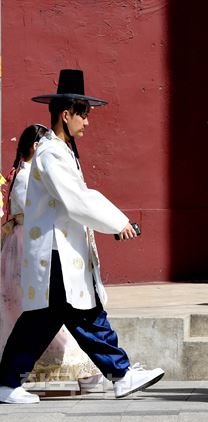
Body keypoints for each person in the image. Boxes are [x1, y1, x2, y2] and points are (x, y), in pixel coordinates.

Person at [0, 69, 164, 404]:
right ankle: (121, 373)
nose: (87, 122)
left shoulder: (59, 151)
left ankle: (6, 382)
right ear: (67, 113)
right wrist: (118, 222)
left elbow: (78, 196)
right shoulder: (52, 153)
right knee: (82, 315)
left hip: (58, 250)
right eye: (84, 115)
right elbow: (77, 199)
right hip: (54, 252)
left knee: (46, 319)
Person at [0, 124, 106, 392]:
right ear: (36, 147)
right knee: (57, 315)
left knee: (41, 316)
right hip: (35, 247)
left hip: (23, 246)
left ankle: (13, 379)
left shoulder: (21, 175)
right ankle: (94, 371)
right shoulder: (29, 177)